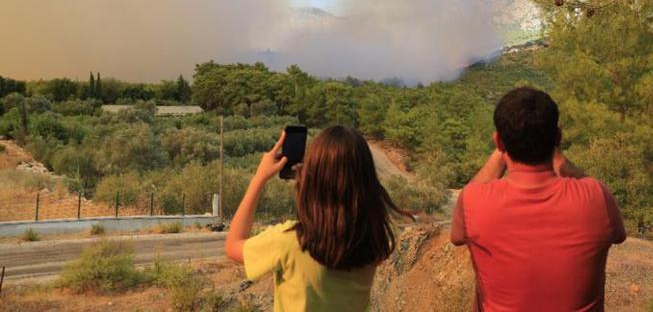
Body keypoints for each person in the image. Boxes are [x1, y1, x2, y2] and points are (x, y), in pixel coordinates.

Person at [451, 87, 626, 312]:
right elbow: (618, 235)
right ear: (557, 138)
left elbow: (457, 237)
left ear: (499, 143)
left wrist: (503, 148)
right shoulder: (596, 197)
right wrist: (555, 151)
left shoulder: (474, 200)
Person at [225, 125, 408, 312]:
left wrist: (259, 178)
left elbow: (233, 245)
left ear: (314, 179)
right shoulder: (372, 240)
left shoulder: (289, 242)